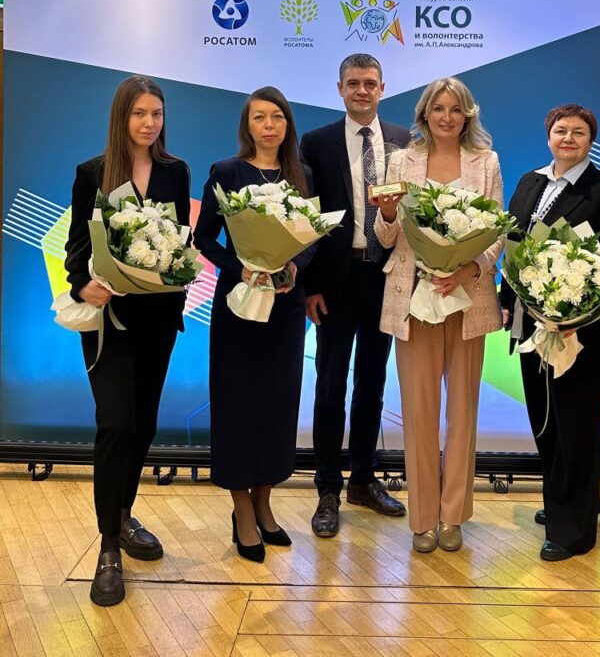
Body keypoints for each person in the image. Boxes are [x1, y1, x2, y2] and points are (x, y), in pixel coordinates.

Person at [64, 75, 191, 607]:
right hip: (109, 323)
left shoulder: (175, 172)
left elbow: (179, 247)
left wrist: (178, 284)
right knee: (115, 423)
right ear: (122, 117)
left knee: (142, 425)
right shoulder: (92, 173)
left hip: (157, 323)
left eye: (156, 113)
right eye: (140, 113)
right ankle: (109, 548)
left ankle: (123, 513)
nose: (149, 122)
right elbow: (76, 249)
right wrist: (82, 284)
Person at [374, 77, 504, 553]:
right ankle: (423, 518)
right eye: (438, 108)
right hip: (413, 300)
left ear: (467, 115)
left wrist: (468, 267)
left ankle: (454, 516)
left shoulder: (487, 162)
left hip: (468, 298)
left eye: (455, 109)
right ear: (424, 114)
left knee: (463, 413)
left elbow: (497, 231)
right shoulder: (399, 161)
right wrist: (389, 215)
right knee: (419, 413)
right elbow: (386, 237)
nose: (446, 117)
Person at [498, 104, 600, 561]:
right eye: (560, 130)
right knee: (545, 420)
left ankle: (574, 531)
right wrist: (507, 300)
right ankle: (569, 499)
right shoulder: (529, 182)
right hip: (530, 323)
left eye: (578, 132)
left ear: (591, 140)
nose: (568, 138)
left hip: (581, 332)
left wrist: (577, 313)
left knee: (577, 425)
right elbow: (514, 248)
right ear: (548, 136)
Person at [195, 87, 314, 562]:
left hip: (286, 307)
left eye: (277, 117)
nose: (269, 125)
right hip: (239, 306)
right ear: (247, 125)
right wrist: (241, 268)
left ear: (287, 124)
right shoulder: (227, 172)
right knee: (238, 405)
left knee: (277, 405)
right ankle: (241, 509)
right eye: (259, 117)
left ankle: (265, 503)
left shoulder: (302, 174)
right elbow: (205, 238)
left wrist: (295, 267)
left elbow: (313, 237)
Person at [300, 54, 410, 537]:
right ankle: (327, 487)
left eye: (370, 83)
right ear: (339, 88)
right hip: (334, 282)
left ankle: (364, 479)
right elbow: (306, 217)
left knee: (372, 382)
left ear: (382, 88)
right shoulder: (316, 141)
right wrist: (309, 287)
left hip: (385, 276)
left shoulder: (405, 140)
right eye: (353, 83)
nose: (362, 91)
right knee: (329, 385)